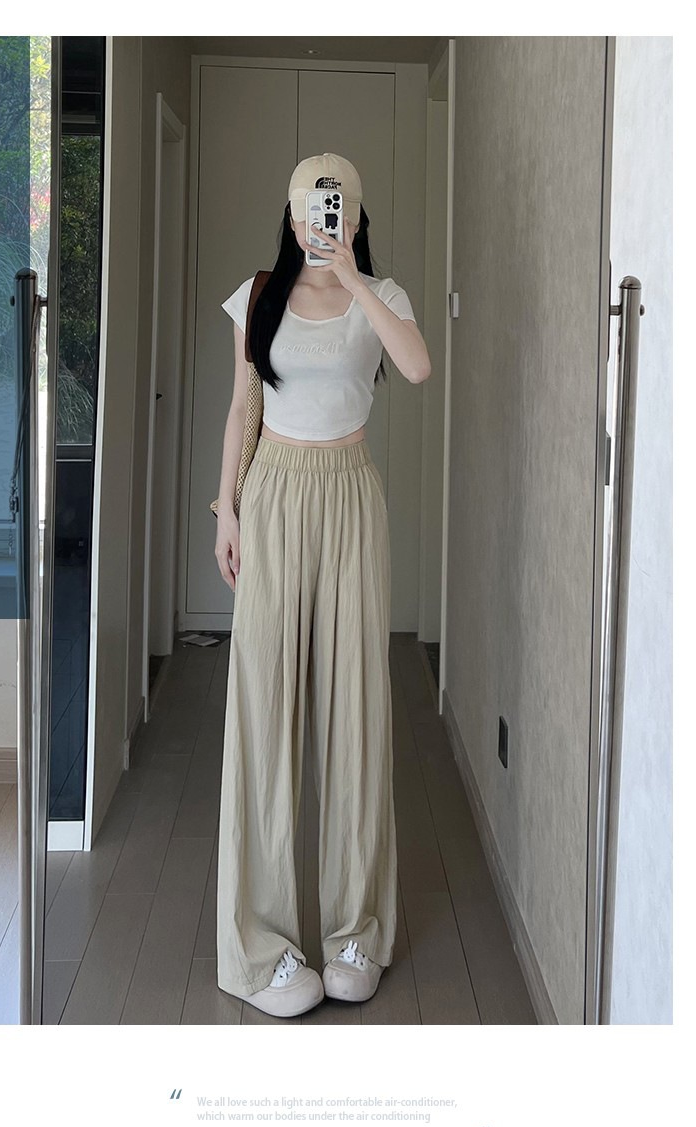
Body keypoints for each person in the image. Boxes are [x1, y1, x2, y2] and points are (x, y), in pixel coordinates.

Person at [214, 153, 432, 1018]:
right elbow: (243, 407)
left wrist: (352, 278)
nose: (320, 220)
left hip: (350, 496)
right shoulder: (259, 295)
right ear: (291, 210)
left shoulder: (384, 296)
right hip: (273, 492)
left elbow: (416, 367)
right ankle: (262, 949)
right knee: (264, 710)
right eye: (309, 207)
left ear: (355, 215)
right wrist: (226, 511)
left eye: (334, 208)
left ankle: (355, 933)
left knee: (354, 710)